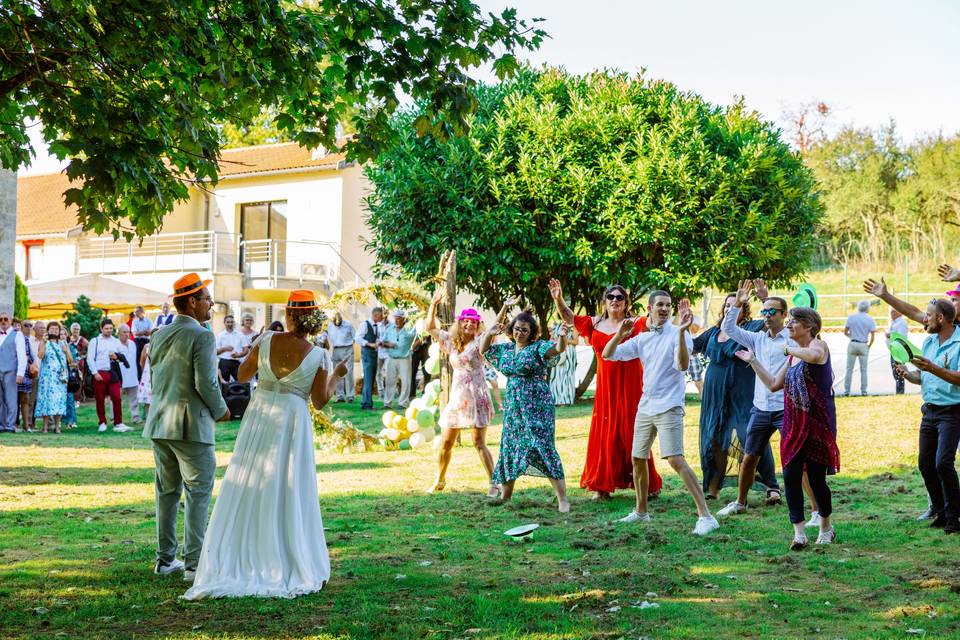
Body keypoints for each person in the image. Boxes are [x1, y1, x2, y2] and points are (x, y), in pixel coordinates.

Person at [182, 290, 347, 599]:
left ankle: (243, 552)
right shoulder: (318, 355)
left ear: (287, 315)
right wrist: (336, 374)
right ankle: (285, 554)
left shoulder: (266, 342)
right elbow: (321, 400)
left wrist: (258, 350)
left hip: (261, 416)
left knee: (251, 479)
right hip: (292, 422)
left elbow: (243, 374)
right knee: (288, 484)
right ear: (314, 320)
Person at [603, 293, 719, 535]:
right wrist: (620, 335)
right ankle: (641, 512)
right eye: (660, 305)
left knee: (675, 459)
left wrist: (680, 332)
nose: (664, 309)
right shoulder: (642, 338)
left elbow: (682, 365)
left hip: (670, 405)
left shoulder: (680, 332)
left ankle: (706, 516)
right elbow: (608, 354)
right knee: (637, 458)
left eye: (668, 305)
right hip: (646, 405)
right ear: (649, 309)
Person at [144, 273, 231, 581]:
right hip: (191, 424)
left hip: (160, 421)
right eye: (208, 299)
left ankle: (165, 560)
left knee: (166, 493)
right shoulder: (203, 335)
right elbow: (205, 382)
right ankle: (194, 564)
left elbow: (159, 377)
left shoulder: (159, 334)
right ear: (193, 302)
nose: (211, 305)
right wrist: (222, 410)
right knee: (198, 491)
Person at [548, 279, 663, 500]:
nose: (615, 301)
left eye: (620, 297)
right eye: (610, 297)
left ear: (626, 302)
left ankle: (647, 485)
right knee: (605, 431)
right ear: (605, 301)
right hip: (606, 388)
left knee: (633, 431)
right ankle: (601, 485)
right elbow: (569, 318)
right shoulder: (594, 323)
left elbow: (655, 322)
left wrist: (660, 307)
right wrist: (558, 298)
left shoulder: (635, 323)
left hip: (631, 385)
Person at [737, 306, 839, 549]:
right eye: (789, 321)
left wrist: (787, 348)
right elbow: (773, 384)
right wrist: (753, 361)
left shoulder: (818, 346)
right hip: (794, 422)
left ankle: (826, 527)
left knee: (815, 479)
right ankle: (799, 533)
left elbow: (813, 357)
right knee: (791, 476)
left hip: (816, 423)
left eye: (794, 322)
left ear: (809, 327)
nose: (790, 325)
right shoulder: (792, 355)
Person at [425, 290, 513, 496]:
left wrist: (504, 307)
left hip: (477, 396)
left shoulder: (481, 340)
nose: (469, 324)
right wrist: (433, 304)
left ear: (477, 324)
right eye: (466, 321)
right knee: (446, 442)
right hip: (458, 398)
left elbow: (493, 328)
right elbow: (430, 328)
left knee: (478, 442)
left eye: (473, 322)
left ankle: (494, 483)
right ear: (460, 323)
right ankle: (439, 480)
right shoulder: (451, 342)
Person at [693, 293, 779, 501]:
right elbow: (692, 347)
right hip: (714, 394)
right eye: (728, 306)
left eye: (737, 306)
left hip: (742, 391)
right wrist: (682, 327)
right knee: (713, 437)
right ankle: (714, 487)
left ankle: (771, 485)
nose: (731, 309)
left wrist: (765, 298)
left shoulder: (750, 329)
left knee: (748, 434)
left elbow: (774, 327)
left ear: (744, 310)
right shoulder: (713, 332)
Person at [482, 313, 570, 512]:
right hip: (514, 407)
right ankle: (506, 495)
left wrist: (563, 336)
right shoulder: (506, 349)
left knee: (542, 446)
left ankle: (563, 499)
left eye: (524, 330)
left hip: (537, 405)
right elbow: (483, 349)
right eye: (516, 329)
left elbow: (557, 349)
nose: (519, 333)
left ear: (532, 334)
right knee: (510, 446)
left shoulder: (537, 348)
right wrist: (489, 332)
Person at [887, 298, 960, 535]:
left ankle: (954, 517)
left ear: (941, 318)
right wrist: (910, 375)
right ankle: (940, 512)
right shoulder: (929, 341)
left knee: (943, 463)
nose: (924, 319)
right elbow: (924, 376)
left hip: (952, 412)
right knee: (926, 464)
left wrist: (932, 369)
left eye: (929, 315)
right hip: (929, 411)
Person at [87, 319, 131, 433]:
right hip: (99, 372)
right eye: (106, 328)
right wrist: (95, 373)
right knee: (100, 399)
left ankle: (118, 423)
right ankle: (102, 422)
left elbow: (122, 356)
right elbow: (90, 358)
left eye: (111, 328)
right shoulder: (95, 341)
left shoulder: (116, 341)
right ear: (101, 329)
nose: (109, 330)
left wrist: (116, 357)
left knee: (117, 397)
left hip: (113, 372)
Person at [34, 321, 74, 434]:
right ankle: (45, 427)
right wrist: (43, 341)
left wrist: (66, 352)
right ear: (48, 330)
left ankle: (57, 426)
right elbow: (40, 356)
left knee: (59, 401)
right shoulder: (44, 342)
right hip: (47, 377)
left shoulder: (63, 343)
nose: (54, 331)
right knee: (47, 401)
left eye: (56, 329)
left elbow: (71, 362)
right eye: (52, 329)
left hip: (60, 378)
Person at [381, 309, 417, 409]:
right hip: (391, 358)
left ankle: (403, 403)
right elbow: (382, 342)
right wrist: (389, 345)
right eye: (395, 319)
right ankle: (387, 403)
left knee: (406, 381)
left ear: (403, 319)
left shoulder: (410, 329)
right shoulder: (389, 329)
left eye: (399, 319)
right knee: (390, 381)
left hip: (404, 358)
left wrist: (414, 345)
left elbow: (420, 336)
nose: (396, 321)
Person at [0, 312, 28, 433]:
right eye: (0, 319)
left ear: (11, 321)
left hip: (10, 371)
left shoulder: (17, 335)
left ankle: (10, 425)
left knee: (10, 399)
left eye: (6, 319)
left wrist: (20, 373)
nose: (3, 321)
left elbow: (22, 355)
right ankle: (1, 424)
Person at [843, 300, 876, 396]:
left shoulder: (851, 317)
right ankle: (864, 391)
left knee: (849, 369)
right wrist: (868, 346)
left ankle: (847, 391)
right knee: (864, 370)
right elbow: (873, 337)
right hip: (863, 344)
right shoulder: (870, 319)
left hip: (853, 343)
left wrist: (852, 336)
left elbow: (845, 332)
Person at [357, 307, 385, 410]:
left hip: (374, 355)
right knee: (368, 379)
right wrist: (369, 344)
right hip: (367, 355)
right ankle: (367, 404)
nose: (382, 318)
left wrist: (378, 342)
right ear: (376, 315)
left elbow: (375, 338)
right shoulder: (364, 324)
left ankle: (366, 402)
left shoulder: (377, 326)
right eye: (381, 316)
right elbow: (357, 338)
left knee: (371, 379)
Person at [326, 311, 356, 403]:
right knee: (337, 373)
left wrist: (349, 347)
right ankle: (340, 396)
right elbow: (329, 338)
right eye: (335, 323)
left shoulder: (348, 325)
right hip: (336, 349)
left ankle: (350, 395)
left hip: (347, 349)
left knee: (349, 373)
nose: (337, 325)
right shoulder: (330, 325)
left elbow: (355, 337)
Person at [548, 322, 578, 406]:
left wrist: (563, 339)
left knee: (567, 375)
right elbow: (551, 340)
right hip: (558, 351)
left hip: (569, 352)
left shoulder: (573, 327)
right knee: (556, 376)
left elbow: (576, 341)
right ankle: (556, 400)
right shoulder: (556, 326)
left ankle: (566, 400)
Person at [117, 325, 141, 424]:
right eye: (124, 332)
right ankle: (115, 418)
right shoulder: (115, 345)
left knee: (134, 399)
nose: (127, 334)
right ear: (118, 333)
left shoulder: (132, 344)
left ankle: (136, 418)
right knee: (116, 398)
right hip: (120, 376)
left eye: (128, 332)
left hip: (132, 375)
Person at [215, 315, 249, 384]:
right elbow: (215, 352)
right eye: (228, 322)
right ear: (224, 323)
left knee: (240, 383)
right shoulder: (220, 335)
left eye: (232, 322)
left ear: (234, 323)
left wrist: (238, 355)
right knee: (223, 384)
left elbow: (246, 350)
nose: (230, 324)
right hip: (224, 362)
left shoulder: (240, 335)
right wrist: (225, 348)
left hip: (237, 362)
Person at [16, 322, 36, 432]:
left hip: (26, 373)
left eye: (30, 326)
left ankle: (26, 426)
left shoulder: (27, 340)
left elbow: (31, 357)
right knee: (13, 400)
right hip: (14, 372)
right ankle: (13, 424)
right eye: (26, 325)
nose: (29, 328)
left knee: (25, 399)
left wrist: (29, 361)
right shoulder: (15, 338)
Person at [886, 309, 909, 395]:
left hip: (898, 350)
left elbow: (901, 337)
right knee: (895, 371)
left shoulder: (901, 323)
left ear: (899, 313)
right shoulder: (894, 322)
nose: (892, 314)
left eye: (893, 312)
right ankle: (898, 391)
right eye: (891, 312)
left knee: (899, 371)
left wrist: (889, 335)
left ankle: (900, 392)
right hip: (893, 350)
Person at [67, 323, 89, 403]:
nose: (76, 331)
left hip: (80, 365)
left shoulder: (83, 340)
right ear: (71, 330)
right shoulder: (68, 339)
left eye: (77, 329)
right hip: (69, 364)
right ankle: (70, 398)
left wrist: (82, 357)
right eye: (74, 329)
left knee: (78, 380)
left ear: (79, 330)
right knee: (70, 379)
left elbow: (90, 351)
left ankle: (78, 399)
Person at [132, 306, 153, 380]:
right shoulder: (134, 321)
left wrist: (142, 332)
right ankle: (139, 377)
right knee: (138, 359)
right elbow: (135, 333)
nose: (135, 313)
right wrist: (144, 332)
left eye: (136, 311)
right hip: (138, 342)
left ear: (141, 312)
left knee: (148, 358)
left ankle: (148, 376)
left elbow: (151, 332)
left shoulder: (149, 320)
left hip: (146, 341)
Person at [410, 330, 432, 397]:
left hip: (426, 347)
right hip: (414, 349)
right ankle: (412, 393)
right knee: (412, 372)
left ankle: (426, 393)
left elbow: (428, 331)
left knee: (427, 371)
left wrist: (418, 342)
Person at [138, 343, 153, 421]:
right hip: (148, 375)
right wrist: (146, 371)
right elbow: (142, 362)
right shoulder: (147, 346)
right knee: (148, 397)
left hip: (159, 374)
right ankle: (148, 418)